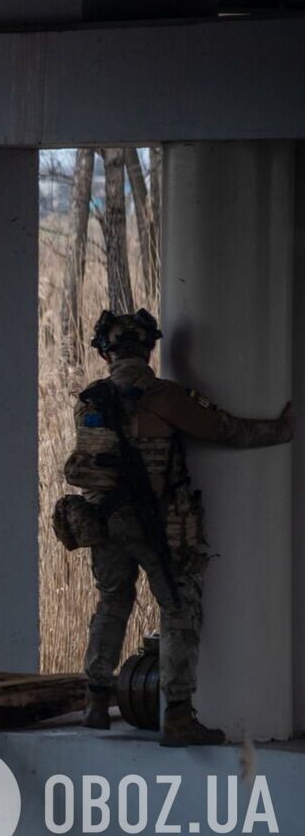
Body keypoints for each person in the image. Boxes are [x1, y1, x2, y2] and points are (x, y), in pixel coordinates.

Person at [65, 309, 293, 746]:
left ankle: (95, 702)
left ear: (106, 353)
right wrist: (281, 430)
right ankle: (179, 716)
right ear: (148, 349)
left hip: (105, 521)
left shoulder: (91, 400)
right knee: (177, 610)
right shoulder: (164, 395)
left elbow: (90, 466)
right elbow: (225, 429)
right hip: (157, 523)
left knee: (112, 602)